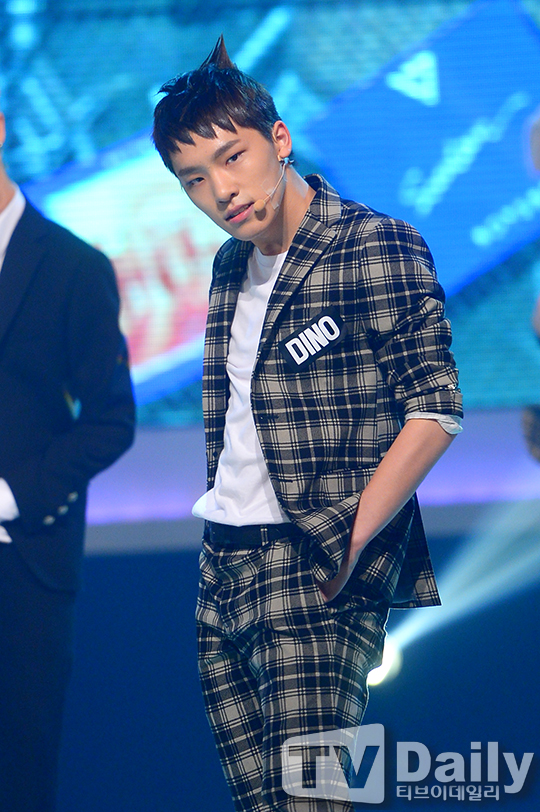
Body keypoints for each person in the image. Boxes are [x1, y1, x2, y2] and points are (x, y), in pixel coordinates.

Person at [153, 37, 462, 812]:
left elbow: (435, 408)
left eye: (232, 157)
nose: (221, 190)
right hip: (221, 571)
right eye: (195, 179)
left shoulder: (374, 244)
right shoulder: (229, 267)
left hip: (313, 564)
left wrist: (350, 541)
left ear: (279, 139)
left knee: (310, 803)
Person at [0, 109, 135, 811]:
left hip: (23, 564)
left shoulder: (72, 265)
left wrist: (10, 494)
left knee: (19, 771)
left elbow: (111, 421)